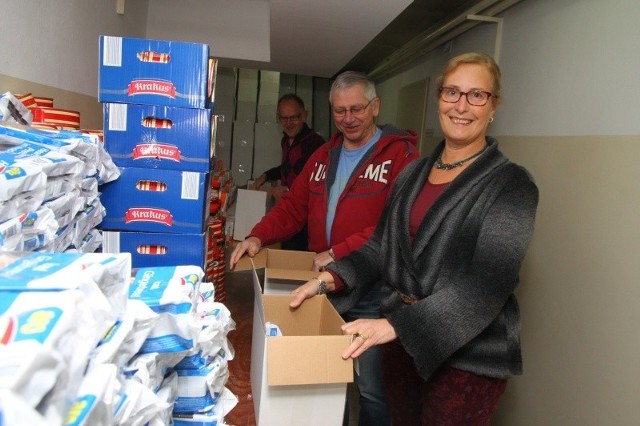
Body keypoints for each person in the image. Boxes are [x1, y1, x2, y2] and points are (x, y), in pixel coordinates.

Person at [289, 52, 539, 425]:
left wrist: (393, 326)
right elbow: (380, 245)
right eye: (452, 92)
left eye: (476, 95)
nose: (461, 106)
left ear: (494, 106)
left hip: (465, 357)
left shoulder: (511, 185)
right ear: (439, 98)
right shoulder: (414, 172)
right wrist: (329, 279)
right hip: (402, 345)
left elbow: (486, 286)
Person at [231, 71, 420, 426]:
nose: (348, 119)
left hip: (374, 288)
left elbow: (396, 223)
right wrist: (258, 235)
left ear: (375, 107)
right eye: (339, 111)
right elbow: (292, 207)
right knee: (328, 377)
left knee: (372, 387)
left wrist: (339, 252)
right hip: (327, 286)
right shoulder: (323, 156)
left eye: (356, 109)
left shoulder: (401, 157)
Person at [252, 94, 325, 250]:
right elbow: (286, 168)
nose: (289, 123)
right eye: (284, 119)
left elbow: (318, 183)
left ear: (304, 115)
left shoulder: (317, 145)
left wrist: (288, 190)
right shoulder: (286, 141)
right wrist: (266, 176)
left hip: (306, 221)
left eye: (294, 118)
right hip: (289, 213)